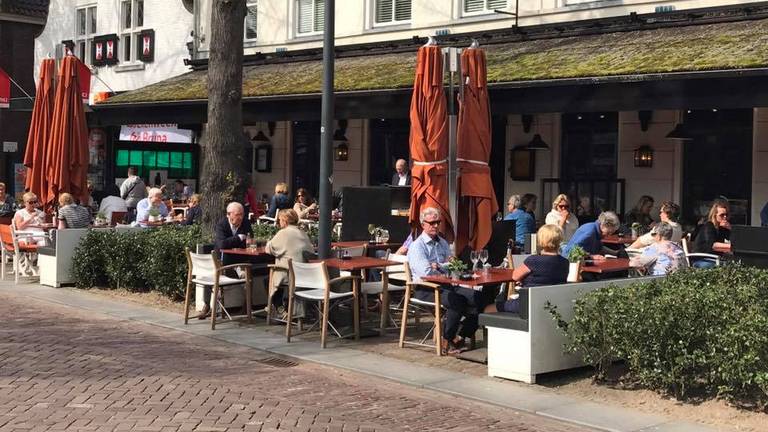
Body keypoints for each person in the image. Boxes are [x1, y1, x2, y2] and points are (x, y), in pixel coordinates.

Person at [407, 207, 484, 355]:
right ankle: (447, 339)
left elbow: (453, 265)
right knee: (457, 300)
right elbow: (426, 272)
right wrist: (445, 267)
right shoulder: (418, 246)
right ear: (423, 224)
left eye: (438, 222)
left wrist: (439, 265)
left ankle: (460, 335)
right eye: (432, 223)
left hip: (446, 285)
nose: (435, 225)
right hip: (425, 288)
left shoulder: (442, 242)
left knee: (479, 298)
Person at [486, 224, 569, 314]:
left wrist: (524, 279)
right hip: (551, 304)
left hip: (527, 304)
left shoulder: (534, 260)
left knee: (488, 308)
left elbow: (515, 276)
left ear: (540, 240)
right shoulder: (564, 262)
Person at [265, 209, 314, 313]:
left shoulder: (283, 233)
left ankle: (280, 309)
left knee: (269, 279)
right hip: (306, 274)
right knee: (278, 274)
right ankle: (284, 308)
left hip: (291, 274)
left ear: (285, 221)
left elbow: (269, 249)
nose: (279, 222)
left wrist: (268, 242)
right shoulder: (302, 233)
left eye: (279, 220)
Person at [692, 199, 731, 268]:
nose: (725, 217)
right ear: (714, 215)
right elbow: (713, 245)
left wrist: (730, 229)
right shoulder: (708, 226)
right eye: (722, 215)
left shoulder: (722, 228)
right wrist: (732, 247)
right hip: (702, 259)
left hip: (714, 259)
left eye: (726, 214)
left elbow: (729, 240)